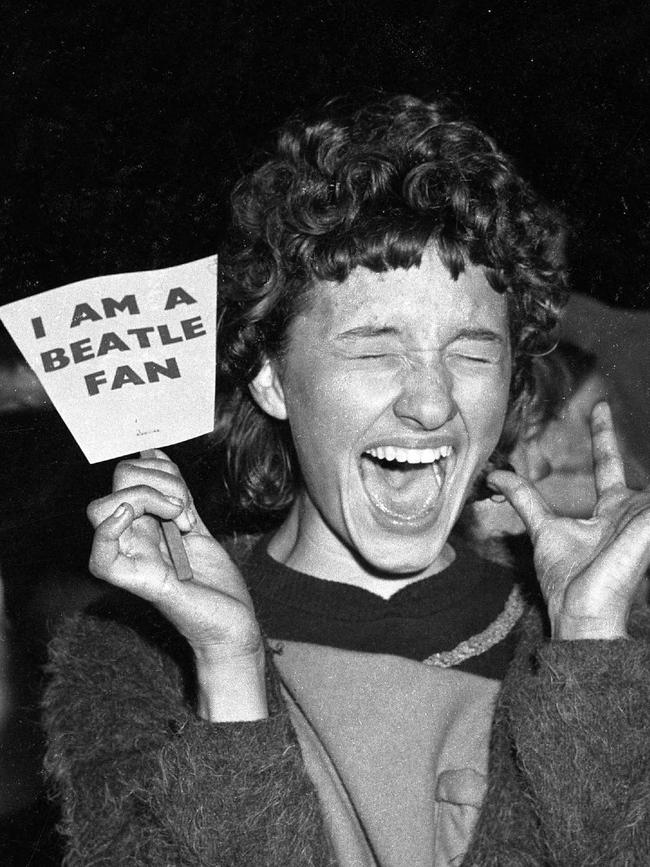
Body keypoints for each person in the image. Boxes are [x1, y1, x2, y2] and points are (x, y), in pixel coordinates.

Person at [43, 94, 650, 866]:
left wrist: (593, 648)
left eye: (471, 352)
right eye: (373, 349)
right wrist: (229, 671)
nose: (432, 402)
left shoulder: (609, 639)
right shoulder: (130, 660)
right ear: (269, 379)